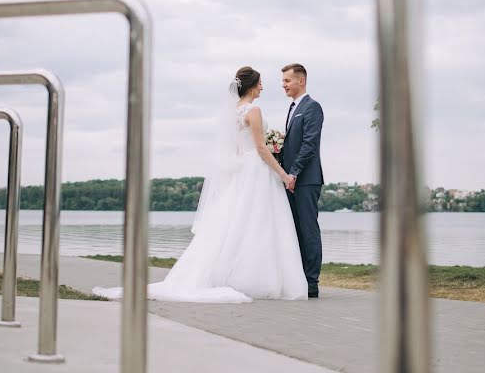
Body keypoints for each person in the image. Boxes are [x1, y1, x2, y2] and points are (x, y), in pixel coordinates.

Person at [92, 66, 307, 302]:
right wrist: (284, 175)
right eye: (260, 83)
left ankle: (232, 275)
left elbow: (238, 148)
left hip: (242, 169)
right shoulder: (254, 110)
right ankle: (254, 277)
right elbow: (260, 148)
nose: (263, 87)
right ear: (252, 86)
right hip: (256, 169)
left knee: (237, 223)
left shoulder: (235, 111)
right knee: (257, 222)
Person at [280, 63, 324, 298]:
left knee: (308, 230)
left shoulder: (312, 107)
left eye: (287, 81)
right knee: (294, 229)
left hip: (306, 180)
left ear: (301, 81)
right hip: (290, 180)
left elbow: (309, 144)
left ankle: (311, 283)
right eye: (283, 82)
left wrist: (294, 172)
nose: (284, 85)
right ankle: (297, 279)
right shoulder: (292, 108)